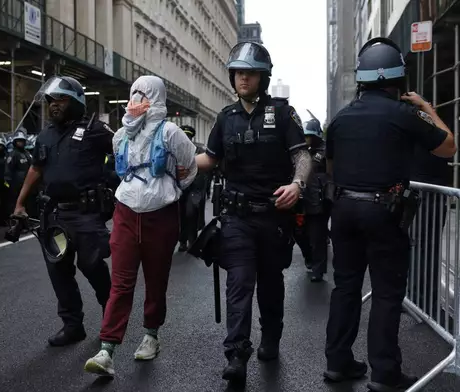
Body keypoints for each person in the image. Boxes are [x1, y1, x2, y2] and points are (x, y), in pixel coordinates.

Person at [323, 37, 456, 392]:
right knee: (385, 293)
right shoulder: (404, 113)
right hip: (383, 211)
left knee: (346, 288)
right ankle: (384, 373)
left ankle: (337, 362)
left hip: (344, 211)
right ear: (400, 79)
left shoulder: (341, 118)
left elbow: (332, 166)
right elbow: (448, 145)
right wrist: (425, 106)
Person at [193, 41, 312, 387]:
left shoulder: (283, 112)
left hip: (274, 216)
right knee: (239, 282)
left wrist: (297, 185)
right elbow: (209, 160)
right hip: (236, 218)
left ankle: (271, 335)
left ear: (263, 77)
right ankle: (236, 353)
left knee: (271, 283)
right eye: (238, 73)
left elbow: (302, 156)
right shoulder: (225, 118)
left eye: (250, 73)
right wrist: (178, 160)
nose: (242, 78)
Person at [83, 75, 198, 377]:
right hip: (125, 211)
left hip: (161, 215)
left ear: (156, 98)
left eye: (143, 94)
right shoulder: (121, 135)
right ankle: (107, 349)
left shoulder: (170, 132)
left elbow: (190, 167)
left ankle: (151, 335)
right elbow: (121, 172)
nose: (137, 101)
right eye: (133, 94)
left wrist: (170, 190)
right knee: (120, 282)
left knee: (156, 279)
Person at [13, 76, 113, 347]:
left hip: (87, 214)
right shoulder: (45, 135)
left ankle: (112, 316)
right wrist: (20, 203)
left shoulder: (96, 130)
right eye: (50, 100)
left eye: (60, 99)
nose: (53, 105)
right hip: (56, 215)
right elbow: (36, 169)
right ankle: (72, 325)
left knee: (92, 265)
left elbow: (123, 155)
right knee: (59, 271)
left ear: (77, 101)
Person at [296, 117, 330, 282]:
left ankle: (318, 268)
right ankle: (309, 259)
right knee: (300, 233)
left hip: (318, 201)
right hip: (302, 200)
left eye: (309, 135)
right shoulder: (302, 151)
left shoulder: (325, 151)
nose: (307, 138)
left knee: (318, 237)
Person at [177, 124, 210, 252]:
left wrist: (201, 190)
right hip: (180, 189)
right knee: (180, 215)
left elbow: (203, 172)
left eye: (188, 136)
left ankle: (192, 240)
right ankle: (182, 241)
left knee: (191, 213)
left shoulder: (199, 150)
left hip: (194, 188)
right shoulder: (176, 150)